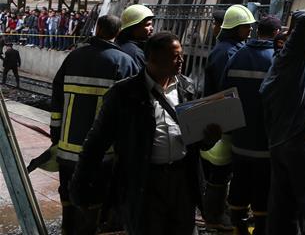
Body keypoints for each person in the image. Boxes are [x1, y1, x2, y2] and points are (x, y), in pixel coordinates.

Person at [70, 32, 220, 235]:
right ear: (153, 59)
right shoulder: (124, 94)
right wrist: (79, 186)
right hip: (144, 182)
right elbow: (96, 142)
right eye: (174, 56)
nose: (181, 61)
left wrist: (209, 138)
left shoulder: (187, 88)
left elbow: (195, 139)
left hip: (183, 180)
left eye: (181, 55)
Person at [49, 14, 139, 234]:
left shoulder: (73, 57)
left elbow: (57, 99)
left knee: (68, 198)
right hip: (101, 155)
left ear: (97, 29)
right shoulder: (125, 62)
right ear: (118, 33)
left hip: (67, 150)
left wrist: (56, 136)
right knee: (94, 202)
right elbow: (131, 112)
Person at [260, 11, 305, 235]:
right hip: (299, 140)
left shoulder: (276, 66)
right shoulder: (294, 62)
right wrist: (293, 25)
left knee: (282, 206)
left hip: (279, 142)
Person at [221, 14, 279, 234]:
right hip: (265, 142)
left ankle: (237, 226)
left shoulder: (238, 55)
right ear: (276, 33)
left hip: (240, 139)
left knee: (239, 183)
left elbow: (224, 92)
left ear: (257, 31)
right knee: (263, 189)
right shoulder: (277, 59)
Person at [199, 5, 254, 231]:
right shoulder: (227, 52)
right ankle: (214, 215)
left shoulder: (228, 48)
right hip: (223, 115)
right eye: (246, 27)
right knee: (220, 168)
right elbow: (227, 86)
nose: (249, 30)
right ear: (235, 28)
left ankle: (216, 212)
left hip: (222, 114)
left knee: (221, 167)